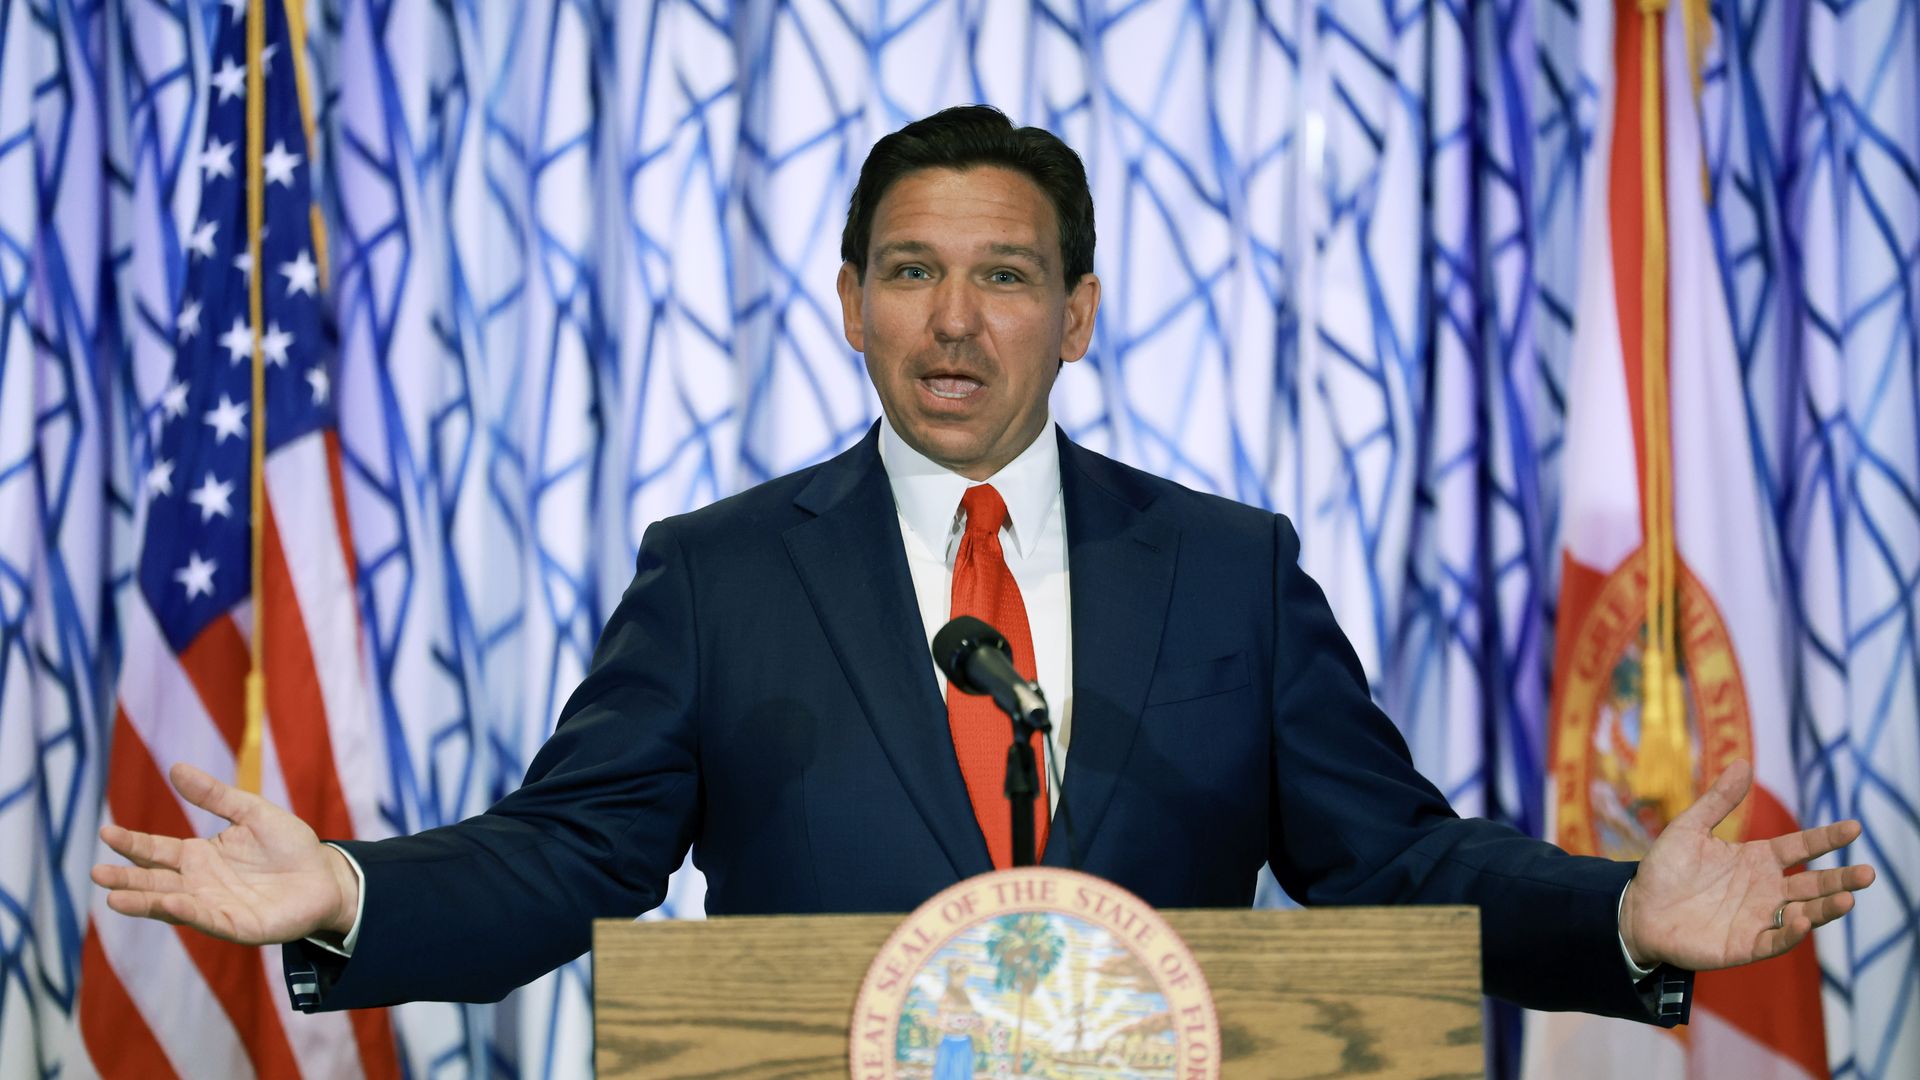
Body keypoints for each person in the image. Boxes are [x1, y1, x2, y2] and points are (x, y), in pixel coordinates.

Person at [93, 106, 1874, 1024]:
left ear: (1079, 315)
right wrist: (342, 890)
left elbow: (1385, 859)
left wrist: (1620, 921)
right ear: (851, 303)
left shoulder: (1231, 569)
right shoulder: (714, 573)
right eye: (910, 271)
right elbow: (577, 859)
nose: (956, 320)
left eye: (1007, 274)